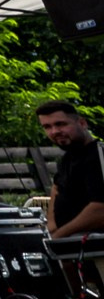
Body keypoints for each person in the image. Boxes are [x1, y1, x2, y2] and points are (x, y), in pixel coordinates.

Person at [38, 101, 104, 239]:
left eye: (60, 124)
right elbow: (56, 189)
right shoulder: (68, 157)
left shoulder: (98, 156)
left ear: (82, 123)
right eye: (47, 127)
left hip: (93, 244)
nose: (54, 131)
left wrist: (58, 237)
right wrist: (51, 227)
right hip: (70, 245)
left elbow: (100, 210)